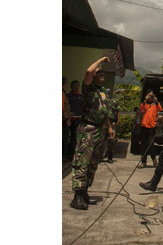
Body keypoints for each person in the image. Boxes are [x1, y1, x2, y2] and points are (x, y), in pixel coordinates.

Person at [70, 57, 116, 210]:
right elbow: (89, 71)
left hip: (100, 130)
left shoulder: (103, 92)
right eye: (99, 72)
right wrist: (101, 60)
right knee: (83, 161)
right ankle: (77, 195)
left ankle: (85, 192)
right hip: (88, 129)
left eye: (103, 72)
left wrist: (109, 128)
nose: (102, 73)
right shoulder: (88, 88)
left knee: (93, 163)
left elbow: (106, 112)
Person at [137, 91, 162, 168]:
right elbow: (140, 109)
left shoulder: (155, 105)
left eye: (152, 96)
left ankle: (154, 160)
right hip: (144, 126)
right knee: (143, 144)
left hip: (152, 126)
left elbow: (160, 109)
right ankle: (143, 161)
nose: (150, 97)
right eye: (149, 96)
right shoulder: (144, 104)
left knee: (151, 144)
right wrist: (145, 101)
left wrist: (156, 101)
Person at [67, 80, 83, 159]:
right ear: (71, 87)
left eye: (77, 85)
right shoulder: (68, 96)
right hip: (68, 120)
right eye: (74, 85)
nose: (76, 87)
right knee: (66, 137)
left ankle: (72, 155)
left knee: (75, 137)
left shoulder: (81, 97)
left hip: (78, 120)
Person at [104, 90, 119, 163]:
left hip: (112, 122)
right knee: (101, 140)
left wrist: (118, 121)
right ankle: (100, 156)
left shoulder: (114, 101)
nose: (108, 94)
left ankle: (110, 157)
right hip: (103, 123)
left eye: (109, 93)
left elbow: (118, 111)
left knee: (111, 140)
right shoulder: (102, 101)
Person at [63, 77, 71, 159]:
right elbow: (62, 108)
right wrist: (67, 119)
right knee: (64, 138)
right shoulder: (62, 93)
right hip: (63, 120)